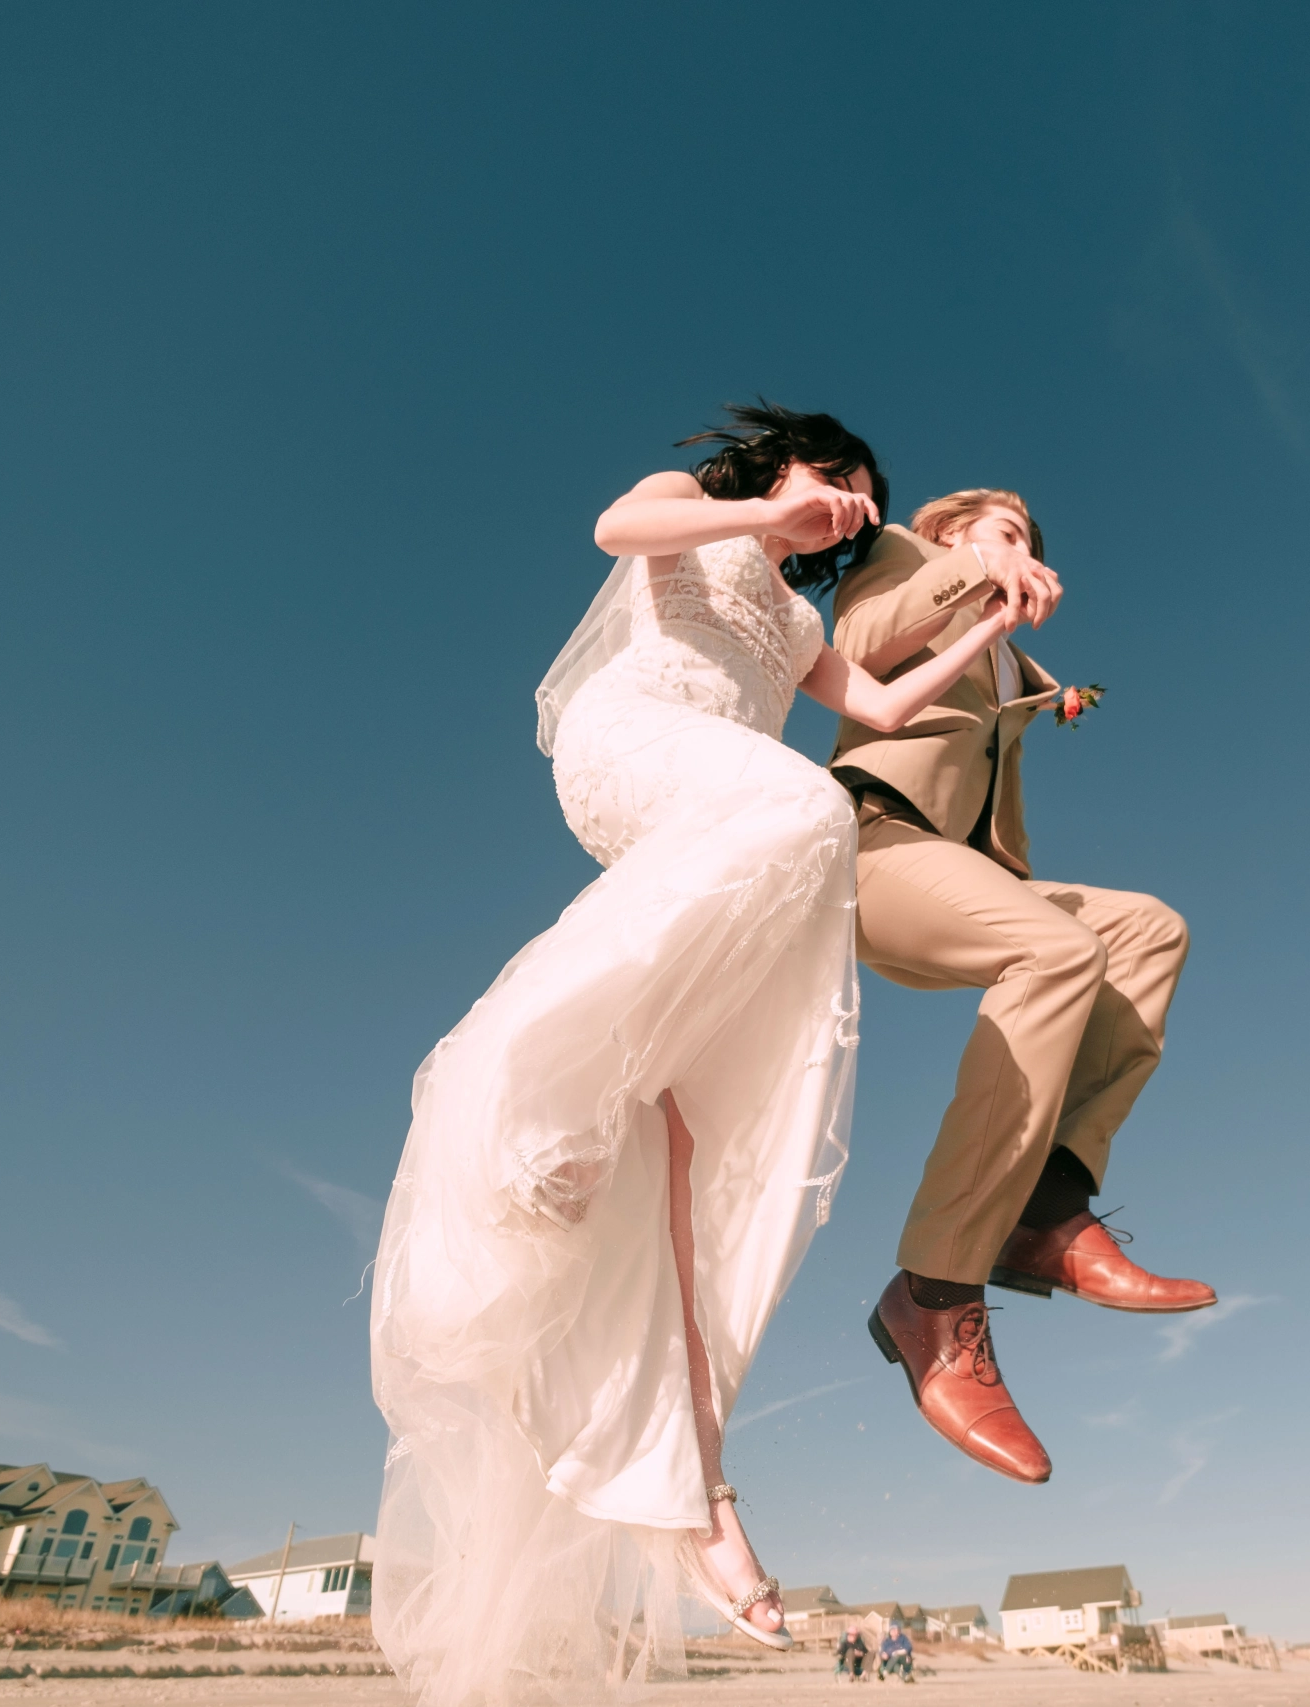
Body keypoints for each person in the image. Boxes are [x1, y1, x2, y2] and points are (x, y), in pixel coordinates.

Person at [369, 404, 1024, 1701]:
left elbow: (882, 701)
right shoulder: (697, 511)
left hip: (720, 813)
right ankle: (542, 1093)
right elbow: (616, 528)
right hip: (641, 744)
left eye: (857, 501)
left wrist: (991, 623)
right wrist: (764, 513)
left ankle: (694, 1486)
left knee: (682, 1144)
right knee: (807, 806)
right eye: (838, 480)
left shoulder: (796, 618)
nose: (843, 508)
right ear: (787, 463)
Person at [827, 488, 1214, 1481]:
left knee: (1146, 929)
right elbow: (857, 646)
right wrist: (972, 569)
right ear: (952, 532)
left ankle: (1045, 1208)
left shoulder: (1015, 659)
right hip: (873, 848)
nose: (1024, 549)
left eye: (1029, 542)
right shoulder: (906, 556)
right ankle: (933, 1291)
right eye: (1007, 532)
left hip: (963, 875)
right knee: (1059, 952)